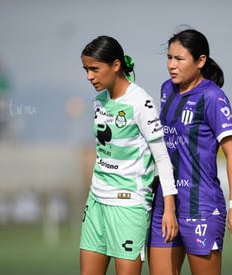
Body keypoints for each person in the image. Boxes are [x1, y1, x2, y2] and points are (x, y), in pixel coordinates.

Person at [148, 29, 232, 275]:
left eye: (179, 59)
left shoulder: (213, 97)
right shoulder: (166, 90)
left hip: (201, 205)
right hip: (166, 204)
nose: (172, 65)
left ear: (200, 61)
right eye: (169, 58)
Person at [79, 35, 178, 275]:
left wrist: (169, 208)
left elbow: (163, 159)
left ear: (115, 65)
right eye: (86, 69)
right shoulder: (99, 100)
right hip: (96, 202)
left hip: (129, 205)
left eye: (94, 69)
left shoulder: (140, 102)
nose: (89, 76)